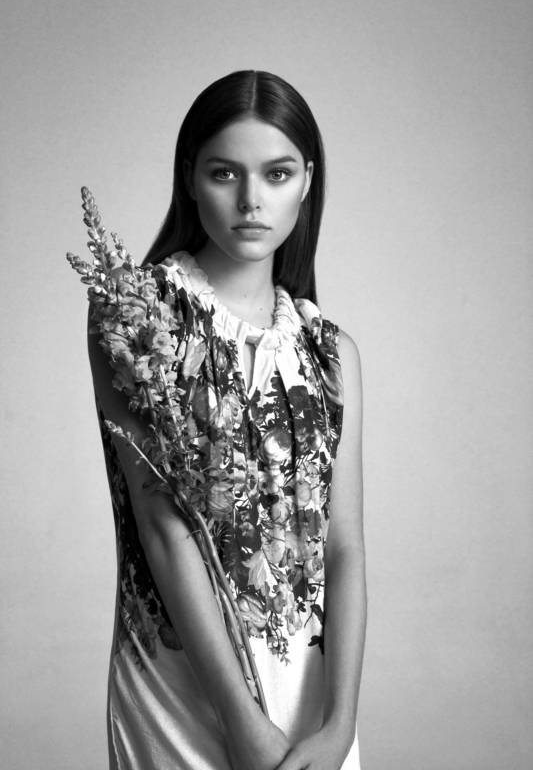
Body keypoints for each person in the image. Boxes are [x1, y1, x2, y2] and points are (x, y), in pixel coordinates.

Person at [88, 69, 366, 770]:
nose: (251, 200)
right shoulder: (136, 315)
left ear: (307, 181)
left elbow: (344, 548)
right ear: (190, 177)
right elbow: (163, 528)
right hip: (182, 686)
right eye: (224, 173)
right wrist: (240, 723)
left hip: (312, 697)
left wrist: (339, 724)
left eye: (276, 174)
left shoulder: (332, 354)